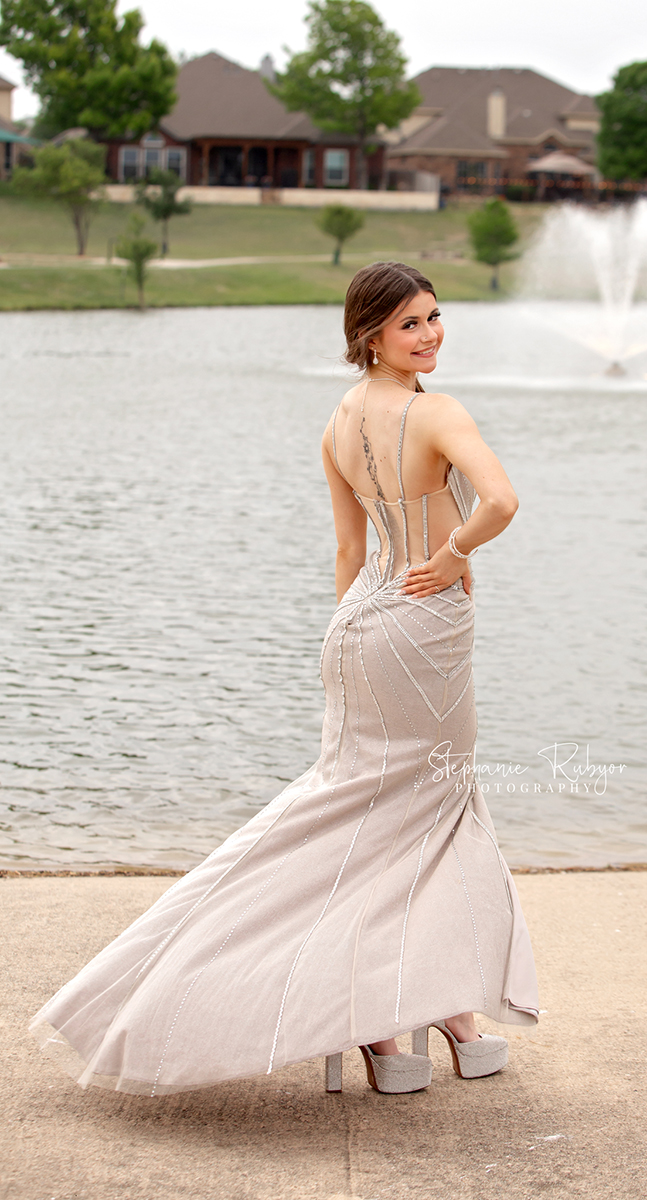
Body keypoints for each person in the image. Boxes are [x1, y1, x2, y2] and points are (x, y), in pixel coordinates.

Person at [30, 261, 539, 1099]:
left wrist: (357, 635)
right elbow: (502, 503)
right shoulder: (436, 411)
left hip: (361, 625)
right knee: (436, 809)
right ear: (370, 333)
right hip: (424, 623)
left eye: (436, 317)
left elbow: (347, 553)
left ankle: (392, 1022)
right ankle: (445, 1012)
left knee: (361, 815)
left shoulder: (338, 421)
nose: (432, 334)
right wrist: (452, 558)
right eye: (411, 323)